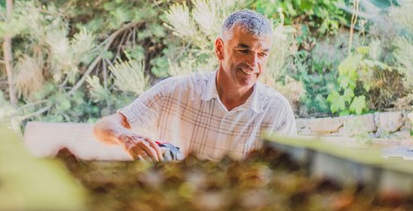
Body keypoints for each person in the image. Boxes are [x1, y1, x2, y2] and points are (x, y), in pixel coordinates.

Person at [93, 9, 297, 161]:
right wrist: (125, 137)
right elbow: (103, 128)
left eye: (262, 54)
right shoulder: (175, 91)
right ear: (219, 49)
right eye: (243, 50)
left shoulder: (277, 111)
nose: (253, 63)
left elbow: (289, 177)